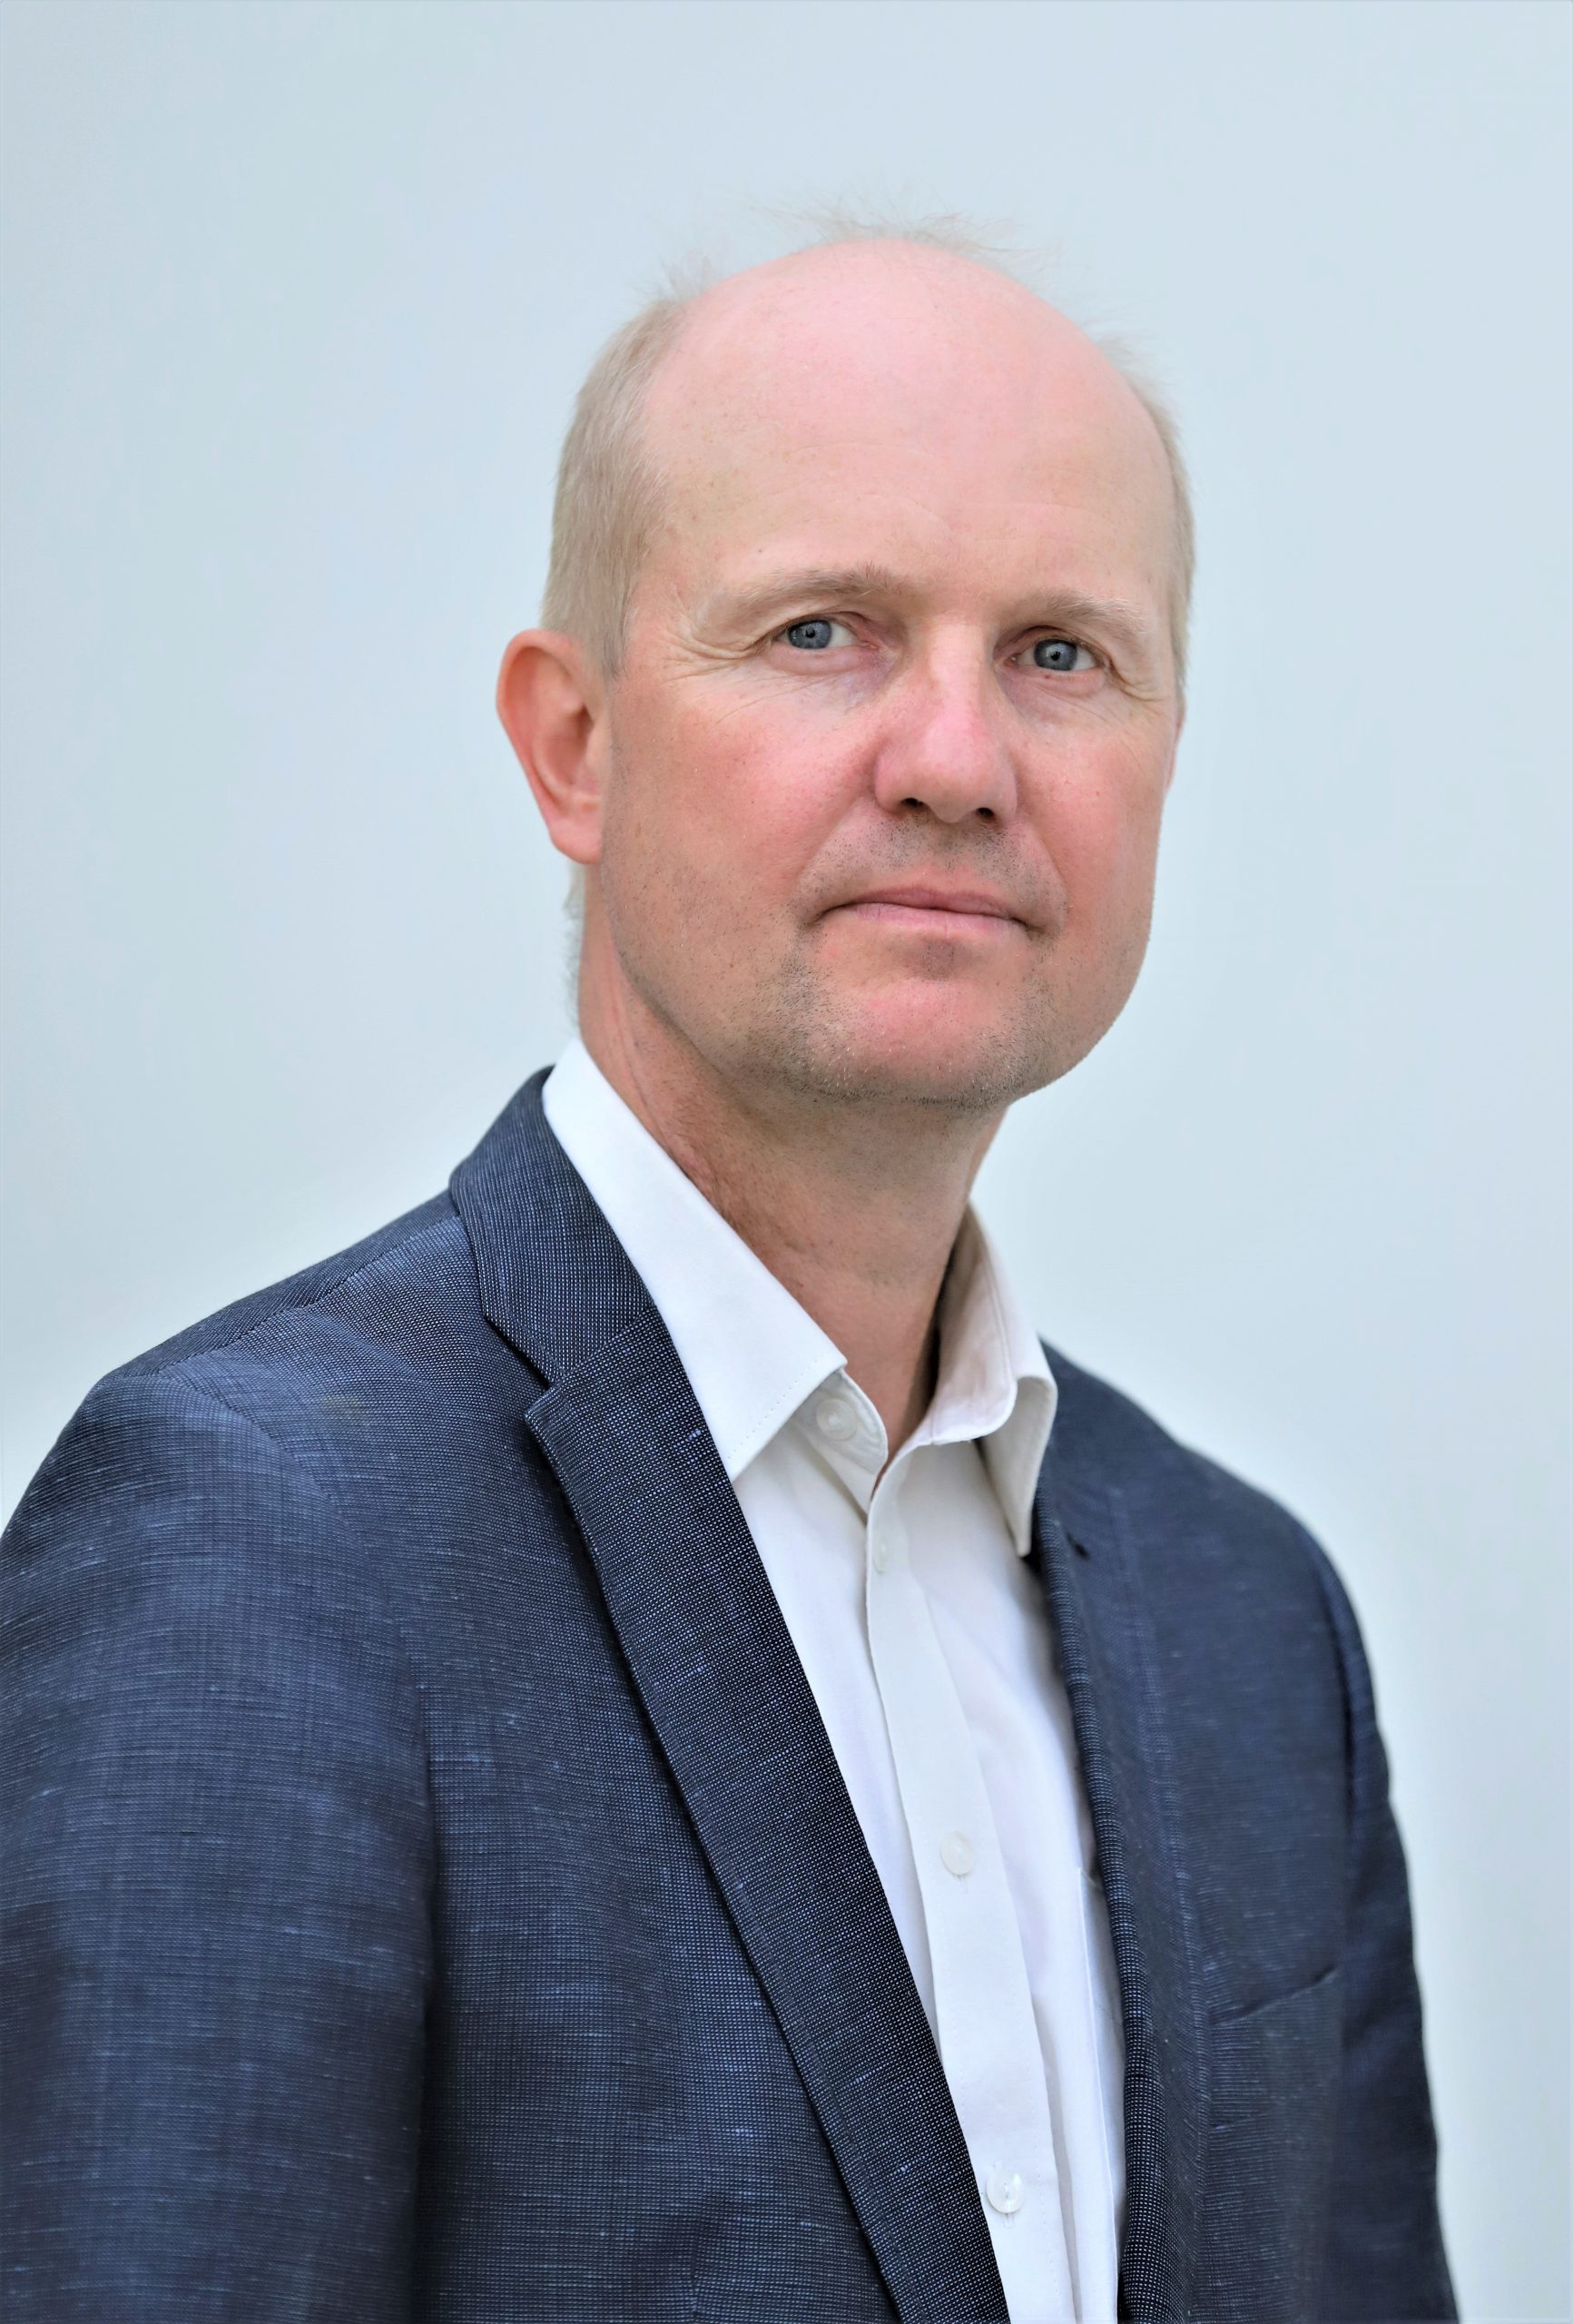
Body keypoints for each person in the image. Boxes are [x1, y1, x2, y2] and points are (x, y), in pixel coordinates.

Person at [2, 222, 1455, 2324]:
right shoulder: (253, 1544)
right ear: (572, 744)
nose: (956, 755)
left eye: (1062, 651)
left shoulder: (1257, 1625)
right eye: (824, 630)